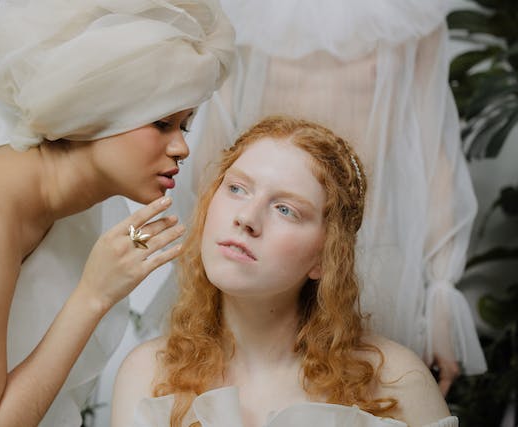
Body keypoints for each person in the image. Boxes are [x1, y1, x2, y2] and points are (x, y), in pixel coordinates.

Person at [0, 0, 234, 425]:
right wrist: (94, 293)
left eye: (186, 125)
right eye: (162, 124)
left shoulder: (69, 196)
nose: (182, 148)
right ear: (92, 112)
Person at [139, 0, 486, 396]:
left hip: (369, 249)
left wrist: (441, 293)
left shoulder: (410, 14)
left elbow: (433, 154)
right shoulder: (245, 11)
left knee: (362, 393)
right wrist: (198, 247)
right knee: (226, 387)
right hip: (260, 241)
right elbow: (217, 142)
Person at [111, 116, 458, 427]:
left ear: (325, 258)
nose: (246, 218)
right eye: (236, 188)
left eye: (285, 209)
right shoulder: (149, 375)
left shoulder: (397, 380)